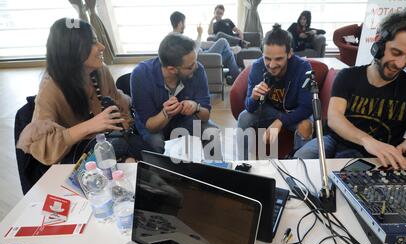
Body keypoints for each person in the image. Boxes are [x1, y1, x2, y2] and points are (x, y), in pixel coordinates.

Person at [295, 8, 406, 169]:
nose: (400, 63)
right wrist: (368, 141)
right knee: (300, 160)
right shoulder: (347, 76)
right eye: (395, 52)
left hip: (381, 153)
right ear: (378, 42)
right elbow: (335, 119)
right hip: (336, 140)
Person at [17, 18, 146, 165]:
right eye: (92, 43)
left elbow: (119, 107)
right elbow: (42, 145)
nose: (102, 47)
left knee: (146, 152)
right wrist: (90, 125)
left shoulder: (101, 70)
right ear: (71, 51)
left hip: (110, 143)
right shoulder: (51, 88)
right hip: (80, 156)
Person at [131, 33, 221, 159]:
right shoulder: (141, 75)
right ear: (172, 69)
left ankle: (215, 170)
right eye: (190, 67)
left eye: (195, 61)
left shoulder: (198, 69)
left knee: (211, 131)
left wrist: (196, 107)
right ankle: (165, 176)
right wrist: (166, 113)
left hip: (183, 119)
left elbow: (205, 116)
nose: (196, 67)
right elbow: (150, 126)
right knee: (155, 143)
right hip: (154, 123)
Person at [236, 24, 313, 160]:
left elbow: (306, 107)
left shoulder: (303, 68)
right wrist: (254, 97)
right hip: (271, 110)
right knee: (244, 117)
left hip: (295, 113)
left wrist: (280, 121)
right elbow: (249, 107)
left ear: (289, 54)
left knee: (305, 126)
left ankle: (297, 166)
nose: (271, 65)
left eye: (278, 59)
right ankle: (242, 163)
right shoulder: (258, 67)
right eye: (267, 58)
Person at [170, 11, 240, 84]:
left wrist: (214, 44)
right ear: (180, 23)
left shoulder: (176, 37)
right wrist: (200, 34)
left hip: (203, 55)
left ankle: (237, 79)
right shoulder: (177, 38)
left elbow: (200, 44)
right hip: (202, 59)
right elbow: (195, 52)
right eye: (184, 23)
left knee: (229, 54)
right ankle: (238, 77)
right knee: (223, 41)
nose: (185, 25)